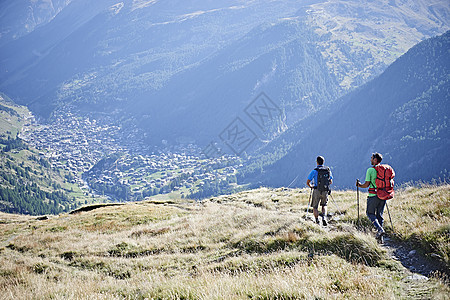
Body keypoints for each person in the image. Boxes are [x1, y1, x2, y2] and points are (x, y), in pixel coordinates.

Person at [356, 152, 386, 242]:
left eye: (372, 158)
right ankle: (380, 238)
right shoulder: (384, 170)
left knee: (370, 214)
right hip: (383, 195)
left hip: (373, 196)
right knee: (379, 216)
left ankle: (380, 230)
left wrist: (359, 185)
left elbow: (366, 185)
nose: (370, 159)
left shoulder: (370, 170)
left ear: (375, 160)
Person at [306, 156, 333, 226]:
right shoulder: (328, 170)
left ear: (317, 162)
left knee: (315, 207)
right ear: (323, 162)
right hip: (325, 190)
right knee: (324, 205)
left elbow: (308, 182)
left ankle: (317, 220)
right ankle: (324, 217)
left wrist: (311, 186)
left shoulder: (314, 171)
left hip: (316, 190)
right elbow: (331, 181)